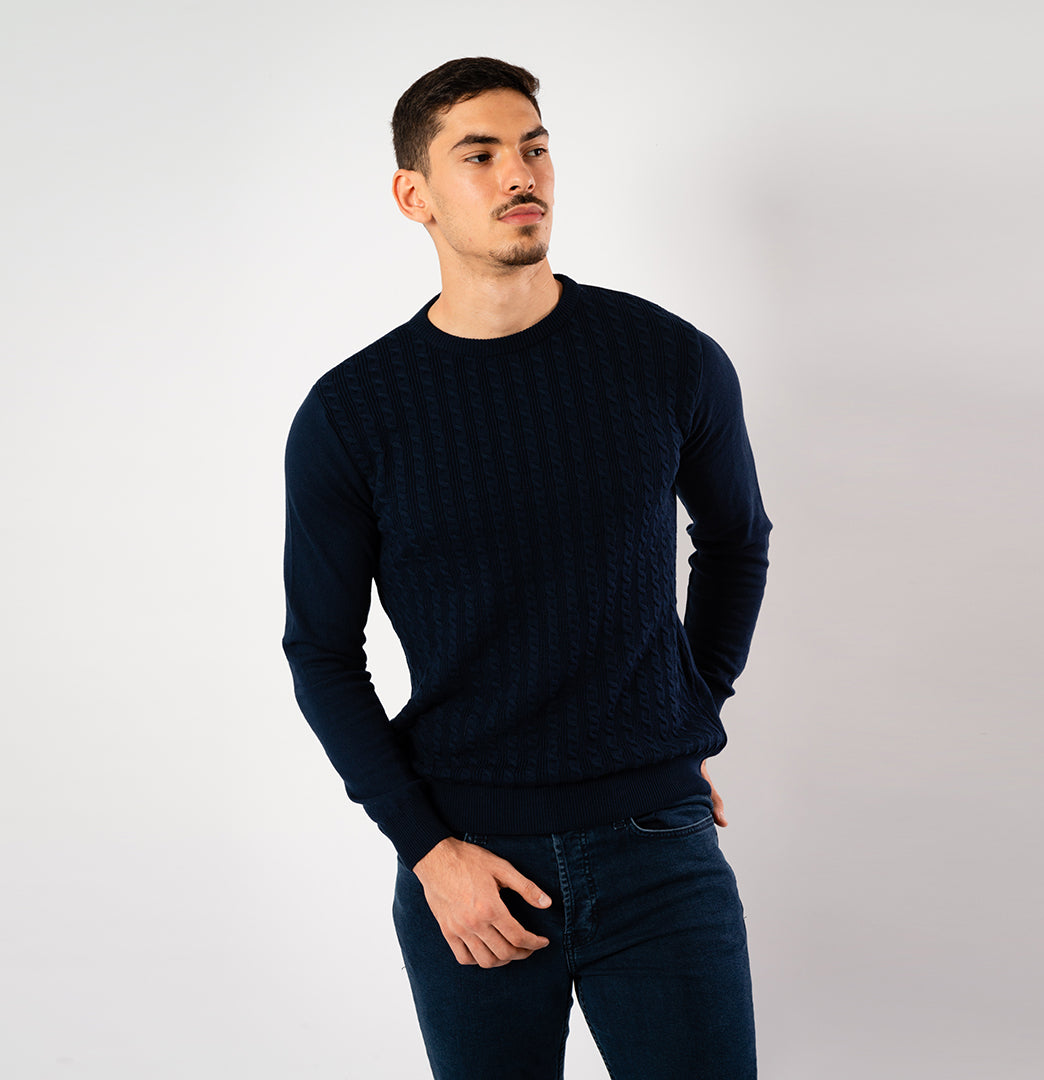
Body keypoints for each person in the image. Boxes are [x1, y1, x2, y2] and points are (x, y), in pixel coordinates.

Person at [282, 56, 771, 1080]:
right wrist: (427, 849)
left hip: (660, 849)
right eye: (480, 155)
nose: (521, 174)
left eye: (535, 147)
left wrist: (692, 704)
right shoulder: (353, 414)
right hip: (472, 866)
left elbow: (735, 542)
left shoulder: (667, 359)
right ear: (414, 195)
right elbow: (321, 652)